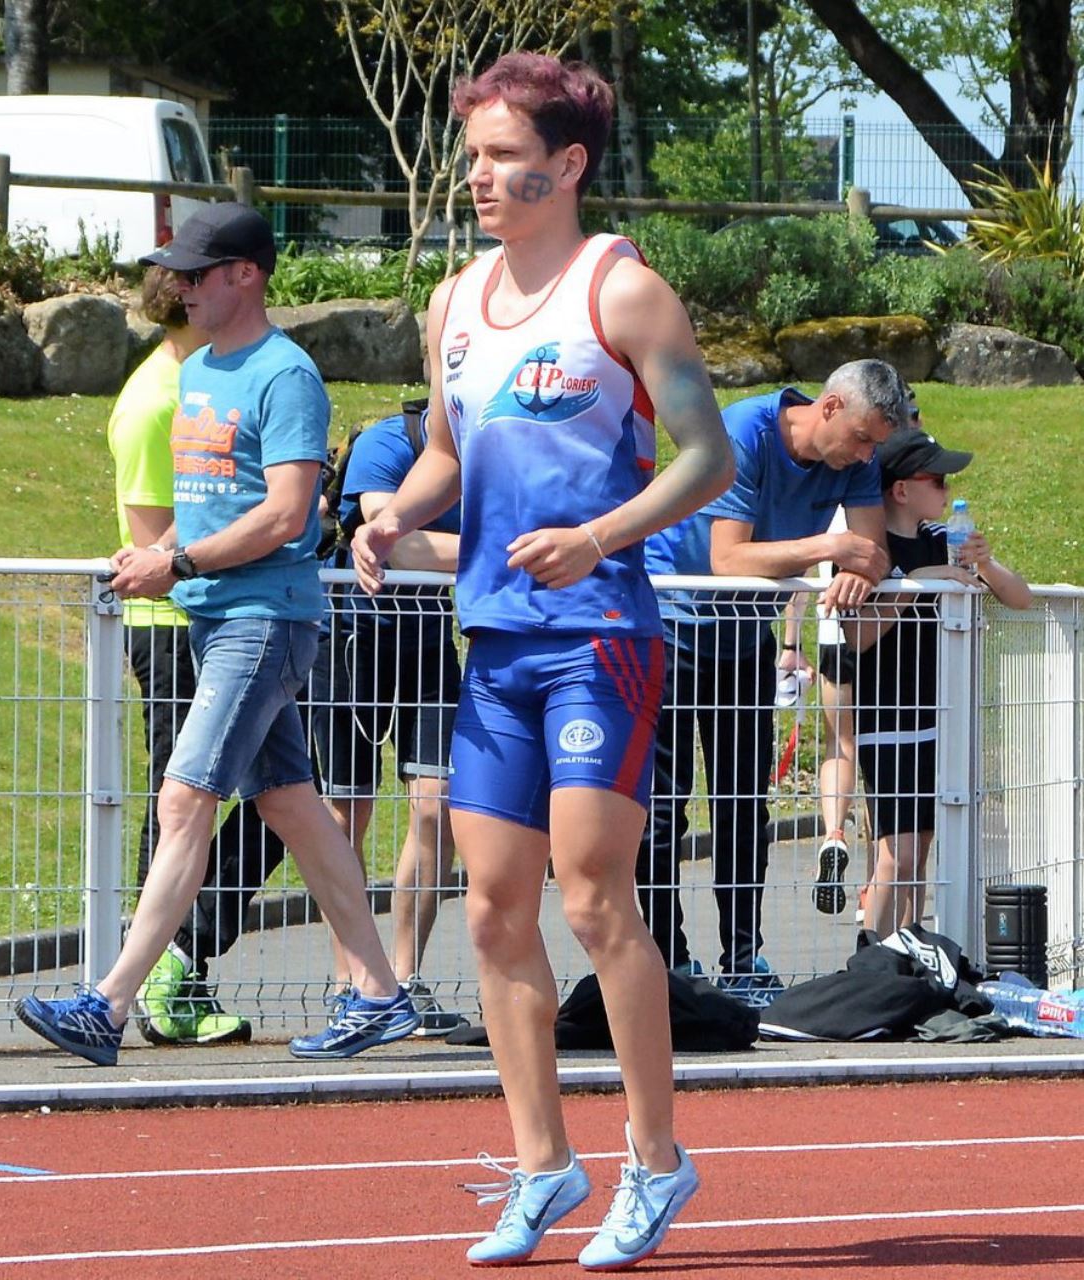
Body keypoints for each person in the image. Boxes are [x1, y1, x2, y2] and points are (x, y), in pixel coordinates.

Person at [351, 53, 734, 1270]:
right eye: (471, 155)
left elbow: (708, 458)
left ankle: (655, 1158)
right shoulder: (453, 302)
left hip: (601, 635)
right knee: (493, 907)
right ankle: (541, 1163)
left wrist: (601, 536)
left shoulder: (624, 292)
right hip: (496, 641)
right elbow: (445, 450)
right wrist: (392, 513)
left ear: (565, 165)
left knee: (591, 895)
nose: (477, 176)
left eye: (502, 156)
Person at [16, 202, 419, 1066]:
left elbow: (286, 515)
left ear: (247, 274)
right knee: (293, 807)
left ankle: (106, 1005)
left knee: (183, 800)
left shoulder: (285, 375)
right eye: (177, 274)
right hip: (218, 618)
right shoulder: (199, 369)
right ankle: (381, 994)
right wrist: (158, 551)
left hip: (261, 620)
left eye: (197, 274)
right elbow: (214, 503)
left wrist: (178, 562)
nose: (180, 288)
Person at [642, 359, 910, 1005]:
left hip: (743, 638)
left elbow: (871, 552)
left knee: (742, 804)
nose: (866, 455)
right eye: (861, 438)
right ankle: (667, 960)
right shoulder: (745, 432)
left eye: (875, 444)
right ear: (828, 406)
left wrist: (858, 570)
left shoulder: (856, 457)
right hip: (671, 627)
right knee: (663, 806)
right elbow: (727, 558)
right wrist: (829, 551)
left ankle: (743, 961)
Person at [107, 264, 285, 1047]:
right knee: (182, 800)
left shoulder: (200, 383)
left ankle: (176, 959)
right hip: (178, 622)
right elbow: (155, 537)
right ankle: (165, 969)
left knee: (287, 798)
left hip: (219, 614)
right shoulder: (158, 400)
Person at [311, 397, 467, 1035]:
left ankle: (404, 979)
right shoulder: (387, 443)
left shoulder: (489, 450)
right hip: (351, 636)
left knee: (438, 805)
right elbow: (394, 542)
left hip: (428, 639)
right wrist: (499, 550)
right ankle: (351, 981)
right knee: (346, 811)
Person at [845, 426, 1031, 937]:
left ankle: (908, 957)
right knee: (897, 854)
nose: (948, 491)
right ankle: (870, 956)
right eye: (939, 480)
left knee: (920, 852)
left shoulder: (942, 540)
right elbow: (857, 635)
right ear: (901, 489)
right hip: (887, 719)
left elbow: (1020, 597)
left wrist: (984, 562)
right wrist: (917, 583)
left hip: (938, 715)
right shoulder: (871, 548)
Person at [799, 386, 924, 920]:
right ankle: (876, 881)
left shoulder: (836, 472)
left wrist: (791, 642)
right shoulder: (879, 473)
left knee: (841, 743)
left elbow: (802, 572)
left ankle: (834, 832)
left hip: (833, 621)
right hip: (873, 626)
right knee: (877, 757)